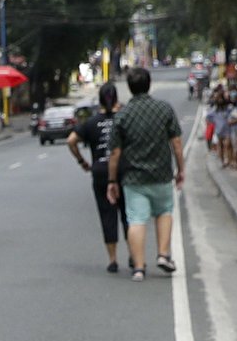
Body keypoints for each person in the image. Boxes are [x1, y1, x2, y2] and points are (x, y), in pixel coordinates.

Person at [106, 66, 184, 281]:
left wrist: (112, 180)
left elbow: (115, 153)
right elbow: (177, 143)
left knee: (136, 219)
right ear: (149, 85)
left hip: (133, 178)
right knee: (164, 211)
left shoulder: (122, 115)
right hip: (161, 174)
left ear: (130, 87)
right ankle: (163, 254)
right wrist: (180, 169)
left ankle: (139, 268)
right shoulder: (164, 109)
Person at [67, 81, 123, 272]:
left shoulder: (91, 122)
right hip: (123, 170)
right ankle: (135, 256)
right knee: (129, 214)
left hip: (100, 171)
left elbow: (71, 140)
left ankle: (113, 259)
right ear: (116, 99)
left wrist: (82, 162)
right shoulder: (123, 119)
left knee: (107, 215)